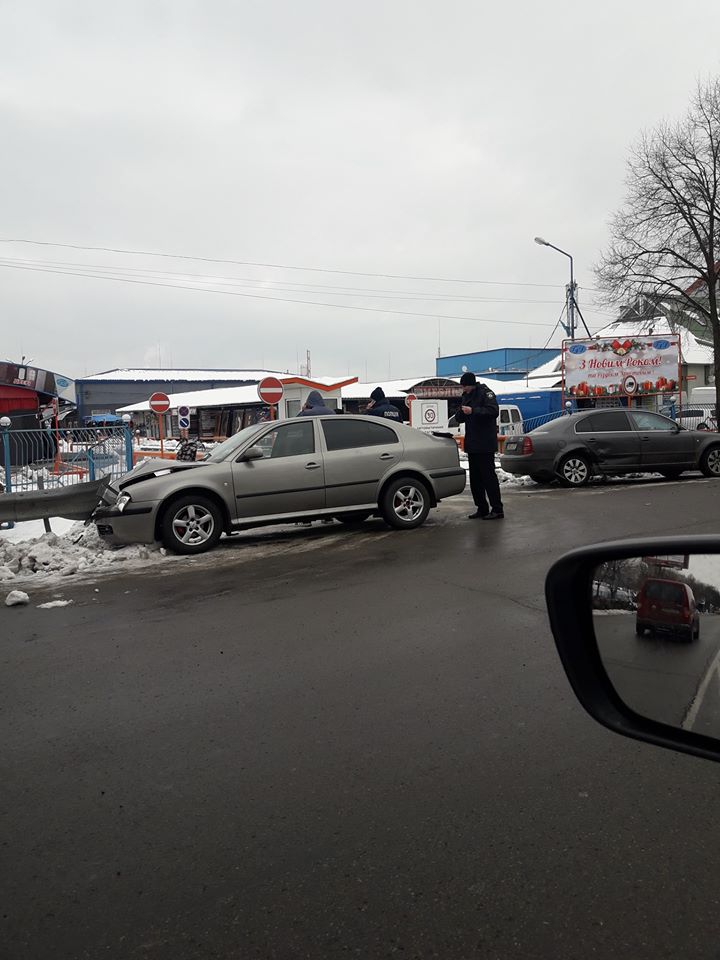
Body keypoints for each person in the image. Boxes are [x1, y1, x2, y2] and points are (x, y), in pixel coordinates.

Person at [453, 371, 504, 520]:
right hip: (472, 443)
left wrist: (473, 410)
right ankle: (482, 508)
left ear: (471, 384)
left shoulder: (486, 393)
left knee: (489, 478)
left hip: (485, 444)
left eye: (465, 386)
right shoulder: (466, 396)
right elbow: (460, 416)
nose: (464, 389)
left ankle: (497, 509)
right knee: (475, 480)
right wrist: (461, 414)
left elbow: (493, 411)